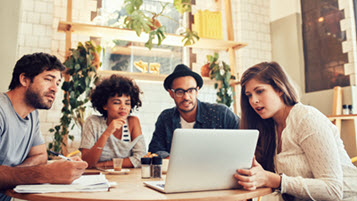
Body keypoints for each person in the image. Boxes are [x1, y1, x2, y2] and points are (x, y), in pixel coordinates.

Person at [235, 61, 357, 201]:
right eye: (249, 95)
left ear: (279, 89)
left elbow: (333, 190)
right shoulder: (270, 129)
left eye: (260, 91)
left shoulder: (307, 119)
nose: (254, 100)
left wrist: (276, 180)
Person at [0, 53, 88, 201]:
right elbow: (40, 166)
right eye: (48, 79)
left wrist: (11, 174)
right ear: (24, 79)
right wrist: (45, 173)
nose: (55, 89)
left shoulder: (31, 114)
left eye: (58, 83)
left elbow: (40, 156)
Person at [148, 64, 240, 158]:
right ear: (171, 94)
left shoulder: (221, 113)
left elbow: (244, 138)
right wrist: (175, 160)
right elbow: (155, 150)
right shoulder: (165, 118)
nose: (186, 97)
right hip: (179, 172)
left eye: (191, 90)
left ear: (197, 91)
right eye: (180, 92)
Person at [80, 74, 146, 168]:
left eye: (127, 103)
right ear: (105, 105)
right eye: (116, 102)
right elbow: (87, 162)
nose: (123, 107)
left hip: (126, 178)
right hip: (97, 177)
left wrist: (103, 164)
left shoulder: (132, 122)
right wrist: (107, 133)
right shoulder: (93, 122)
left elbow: (140, 159)